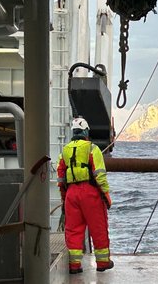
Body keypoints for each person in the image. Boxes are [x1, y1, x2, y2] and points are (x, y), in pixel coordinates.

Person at [57, 117, 114, 274]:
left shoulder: (65, 151)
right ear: (86, 131)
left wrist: (64, 198)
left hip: (71, 195)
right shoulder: (92, 149)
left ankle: (74, 265)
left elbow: (61, 177)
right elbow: (99, 175)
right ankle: (102, 262)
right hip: (90, 193)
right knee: (98, 227)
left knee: (73, 230)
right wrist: (106, 195)